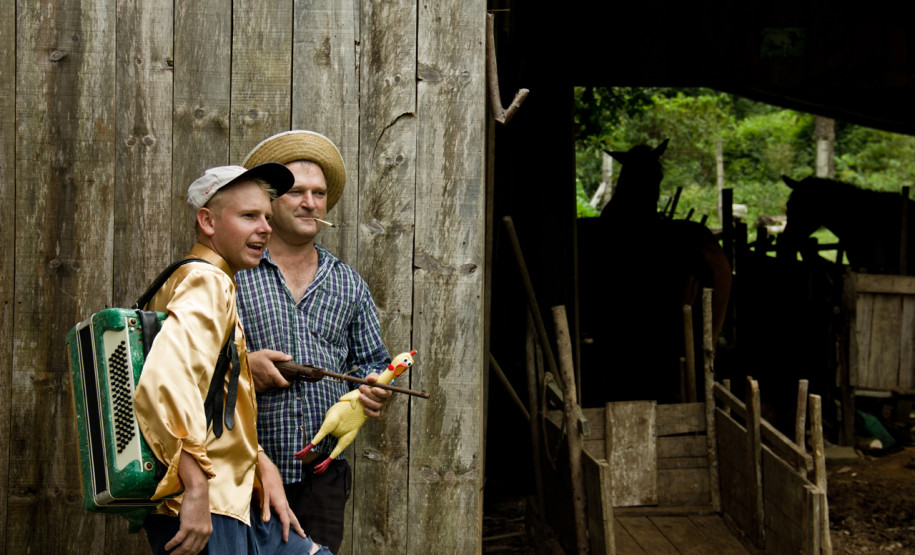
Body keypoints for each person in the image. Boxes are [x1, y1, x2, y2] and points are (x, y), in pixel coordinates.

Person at [134, 163, 331, 555]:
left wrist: (258, 461)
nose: (265, 228)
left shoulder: (203, 279)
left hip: (236, 496)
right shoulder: (207, 281)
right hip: (208, 501)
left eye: (267, 217)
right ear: (207, 221)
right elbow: (166, 382)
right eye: (248, 216)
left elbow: (212, 396)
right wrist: (195, 488)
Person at [235, 130, 393, 553]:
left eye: (319, 193)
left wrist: (374, 387)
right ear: (269, 200)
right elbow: (190, 364)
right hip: (246, 467)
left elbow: (371, 363)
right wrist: (243, 367)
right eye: (297, 192)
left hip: (323, 475)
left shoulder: (348, 283)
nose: (310, 202)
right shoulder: (232, 275)